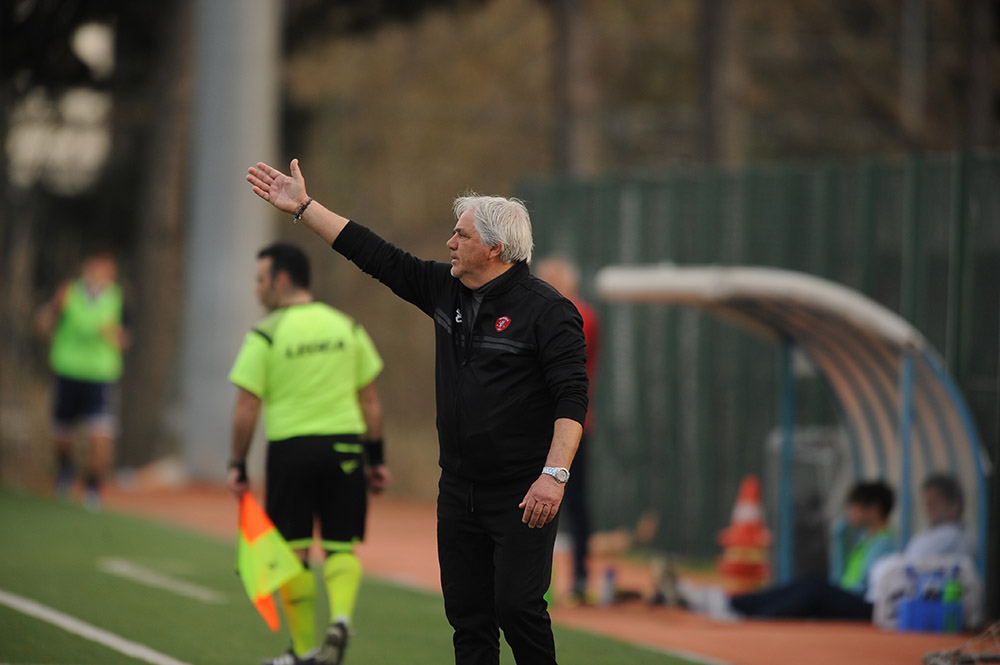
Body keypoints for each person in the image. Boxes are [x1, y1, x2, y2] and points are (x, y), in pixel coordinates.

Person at [246, 159, 589, 665]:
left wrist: (553, 476)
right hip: (458, 488)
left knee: (517, 608)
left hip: (522, 491)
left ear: (494, 248)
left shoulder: (549, 311)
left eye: (461, 235)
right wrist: (304, 207)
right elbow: (374, 254)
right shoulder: (445, 289)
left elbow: (572, 398)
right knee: (468, 620)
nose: (449, 243)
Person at [227, 242, 389, 665]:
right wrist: (377, 459)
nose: (257, 290)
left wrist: (238, 463)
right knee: (341, 545)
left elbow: (246, 407)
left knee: (293, 551)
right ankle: (340, 619)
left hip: (292, 450)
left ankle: (302, 652)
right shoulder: (347, 327)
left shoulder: (265, 333)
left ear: (281, 281)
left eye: (260, 281)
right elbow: (371, 402)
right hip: (345, 448)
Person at [684, 480, 896, 621]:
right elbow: (841, 577)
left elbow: (867, 589)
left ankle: (754, 615)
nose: (850, 512)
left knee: (813, 588)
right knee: (807, 582)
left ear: (874, 509)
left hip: (865, 606)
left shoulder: (884, 544)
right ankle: (730, 603)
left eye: (854, 506)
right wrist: (838, 544)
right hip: (851, 597)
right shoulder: (865, 540)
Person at [34, 250, 129, 508]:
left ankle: (93, 486)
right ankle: (65, 470)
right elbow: (41, 325)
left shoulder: (117, 298)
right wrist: (55, 307)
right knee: (62, 435)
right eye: (95, 266)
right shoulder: (67, 293)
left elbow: (126, 340)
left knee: (101, 435)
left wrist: (112, 334)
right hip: (67, 372)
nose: (99, 273)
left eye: (105, 268)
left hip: (100, 377)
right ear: (85, 268)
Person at [534, 257, 600, 603]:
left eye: (551, 278)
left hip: (571, 426)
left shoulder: (580, 315)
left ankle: (580, 576)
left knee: (574, 502)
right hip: (538, 424)